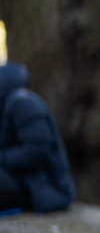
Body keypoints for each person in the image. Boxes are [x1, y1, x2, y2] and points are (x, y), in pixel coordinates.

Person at [0, 64, 76, 214]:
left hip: (43, 188)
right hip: (24, 182)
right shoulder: (5, 107)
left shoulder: (23, 103)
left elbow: (36, 151)